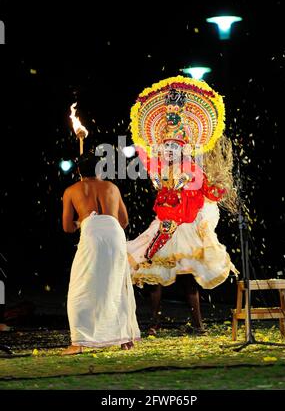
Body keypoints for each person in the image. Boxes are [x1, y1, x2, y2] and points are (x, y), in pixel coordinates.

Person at [127, 76, 239, 335]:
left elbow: (200, 189)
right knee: (153, 276)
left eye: (173, 147)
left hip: (184, 226)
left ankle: (198, 324)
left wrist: (193, 181)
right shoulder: (161, 170)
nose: (168, 150)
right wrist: (155, 170)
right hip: (163, 225)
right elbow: (158, 183)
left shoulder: (191, 170)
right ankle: (154, 324)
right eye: (165, 146)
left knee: (188, 279)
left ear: (184, 148)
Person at [61, 154, 140, 355]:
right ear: (100, 170)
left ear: (78, 171)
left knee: (81, 285)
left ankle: (78, 342)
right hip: (115, 233)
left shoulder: (71, 190)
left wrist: (82, 222)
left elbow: (67, 228)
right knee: (117, 283)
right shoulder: (112, 188)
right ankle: (125, 338)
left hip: (92, 233)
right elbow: (124, 220)